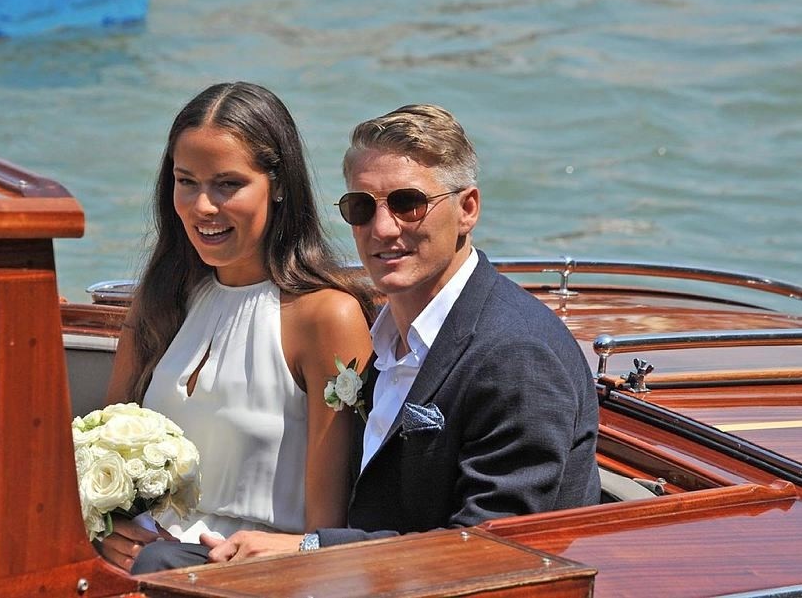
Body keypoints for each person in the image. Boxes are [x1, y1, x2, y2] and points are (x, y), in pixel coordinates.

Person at [145, 102, 601, 567]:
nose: (382, 229)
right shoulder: (380, 345)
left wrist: (309, 548)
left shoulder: (515, 354)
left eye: (409, 203)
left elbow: (491, 549)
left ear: (468, 209)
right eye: (361, 207)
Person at [100, 82, 374, 573]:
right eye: (186, 181)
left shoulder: (326, 317)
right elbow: (98, 458)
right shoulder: (161, 299)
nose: (203, 206)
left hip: (258, 574)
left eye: (228, 184)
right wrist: (106, 533)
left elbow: (325, 527)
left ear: (280, 184)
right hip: (147, 564)